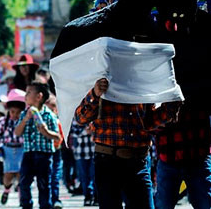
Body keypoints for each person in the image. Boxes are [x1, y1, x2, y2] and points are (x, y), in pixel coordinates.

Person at [75, 78, 180, 209]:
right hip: (107, 161)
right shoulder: (101, 79)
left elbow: (149, 122)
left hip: (138, 162)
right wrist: (95, 94)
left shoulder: (142, 81)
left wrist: (170, 107)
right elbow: (81, 118)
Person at [14, 82, 60, 209]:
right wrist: (25, 120)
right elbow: (17, 132)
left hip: (44, 155)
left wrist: (45, 131)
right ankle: (26, 205)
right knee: (24, 183)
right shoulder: (24, 114)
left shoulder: (48, 115)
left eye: (29, 92)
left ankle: (45, 206)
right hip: (28, 154)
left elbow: (57, 136)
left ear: (39, 96)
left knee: (44, 185)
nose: (26, 95)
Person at [0, 89, 25, 205]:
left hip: (21, 149)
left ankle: (22, 198)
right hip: (8, 150)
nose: (15, 115)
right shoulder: (2, 122)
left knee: (20, 174)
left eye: (18, 112)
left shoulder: (24, 121)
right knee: (8, 174)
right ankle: (6, 190)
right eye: (12, 112)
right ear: (8, 111)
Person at [67, 120, 96, 206]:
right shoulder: (76, 120)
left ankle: (96, 196)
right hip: (81, 153)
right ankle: (87, 196)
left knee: (94, 175)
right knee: (83, 176)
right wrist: (86, 131)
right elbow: (75, 133)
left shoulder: (94, 119)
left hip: (93, 152)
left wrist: (89, 131)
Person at [45, 94, 64, 209]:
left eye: (53, 108)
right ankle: (47, 200)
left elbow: (61, 137)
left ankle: (55, 199)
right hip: (46, 152)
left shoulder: (58, 122)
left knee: (55, 176)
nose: (52, 111)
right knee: (47, 177)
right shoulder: (43, 121)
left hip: (56, 151)